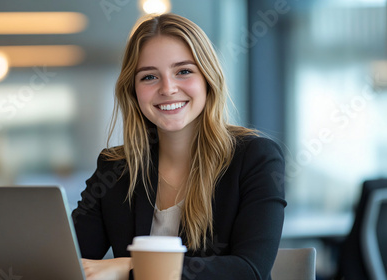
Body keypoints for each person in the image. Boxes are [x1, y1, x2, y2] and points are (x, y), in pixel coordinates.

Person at [72, 13, 286, 280]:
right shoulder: (116, 168)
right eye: (149, 77)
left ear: (208, 78)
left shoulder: (255, 159)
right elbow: (68, 258)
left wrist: (133, 267)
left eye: (183, 71)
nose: (168, 88)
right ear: (133, 91)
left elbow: (249, 271)